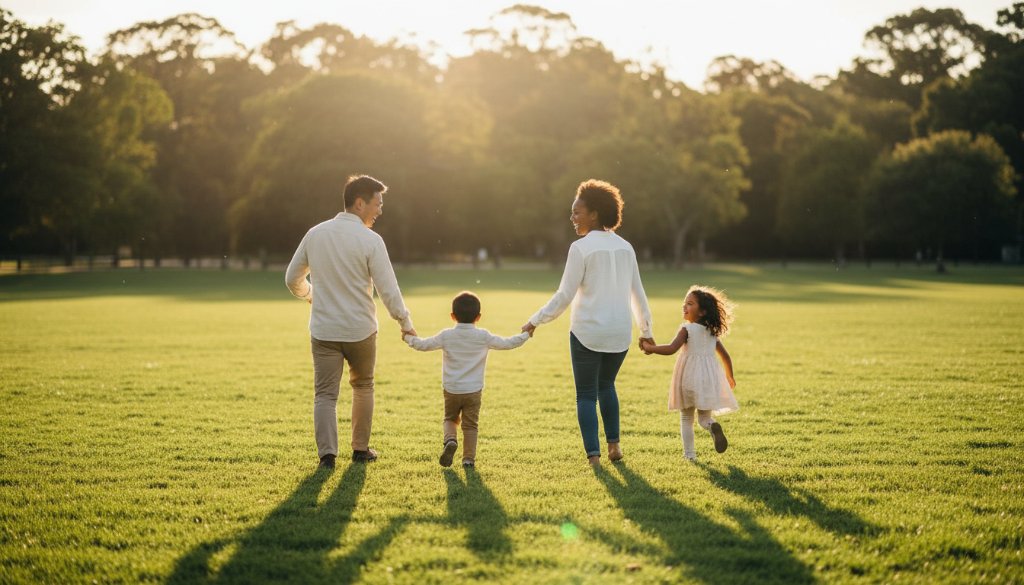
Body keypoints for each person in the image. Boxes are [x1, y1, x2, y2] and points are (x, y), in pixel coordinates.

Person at [285, 174, 416, 469]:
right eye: (377, 203)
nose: (380, 210)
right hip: (360, 331)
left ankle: (327, 457)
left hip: (324, 331)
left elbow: (292, 278)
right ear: (360, 203)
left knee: (325, 395)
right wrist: (404, 321)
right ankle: (360, 450)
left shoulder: (315, 234)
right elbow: (388, 290)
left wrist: (309, 294)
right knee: (364, 386)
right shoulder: (371, 240)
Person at [522, 179, 653, 467]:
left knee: (586, 394)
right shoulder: (626, 247)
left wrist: (535, 321)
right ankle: (614, 447)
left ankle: (594, 457)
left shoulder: (580, 248)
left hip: (587, 332)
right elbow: (638, 293)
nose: (572, 218)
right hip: (619, 334)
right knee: (607, 386)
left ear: (594, 213)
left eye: (577, 212)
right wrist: (646, 331)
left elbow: (564, 295)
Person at [404, 291, 530, 468]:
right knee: (471, 426)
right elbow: (508, 343)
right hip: (473, 390)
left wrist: (408, 337)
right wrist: (526, 334)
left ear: (452, 316)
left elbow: (423, 345)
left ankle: (450, 440)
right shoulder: (483, 336)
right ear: (478, 317)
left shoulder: (446, 335)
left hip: (452, 389)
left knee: (450, 419)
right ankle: (468, 460)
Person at [640, 285, 738, 461]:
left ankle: (690, 455)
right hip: (708, 381)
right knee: (703, 418)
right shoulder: (711, 333)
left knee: (686, 418)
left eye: (690, 303)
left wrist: (650, 348)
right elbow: (726, 356)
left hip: (688, 379)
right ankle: (712, 425)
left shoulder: (687, 329)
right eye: (684, 303)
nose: (684, 306)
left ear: (701, 312)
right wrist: (730, 376)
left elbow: (671, 349)